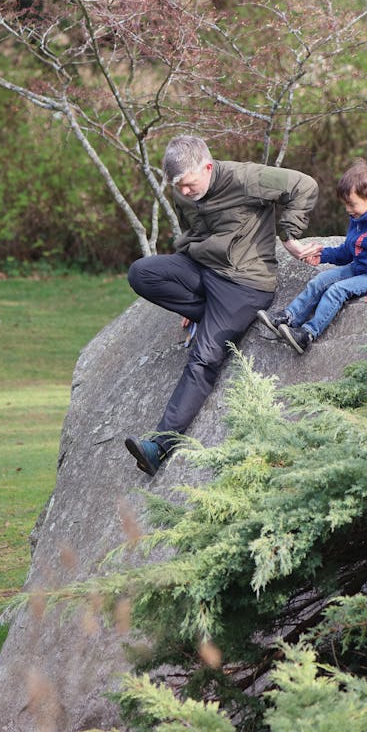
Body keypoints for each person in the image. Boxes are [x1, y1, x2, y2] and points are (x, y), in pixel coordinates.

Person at [124, 134, 319, 477]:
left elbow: (304, 185)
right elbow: (194, 232)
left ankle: (159, 446)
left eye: (187, 183)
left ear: (208, 167)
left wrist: (289, 236)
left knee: (205, 356)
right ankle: (205, 313)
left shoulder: (246, 178)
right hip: (204, 270)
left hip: (244, 284)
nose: (183, 192)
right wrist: (189, 305)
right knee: (142, 273)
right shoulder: (185, 192)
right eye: (177, 186)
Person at [257, 158, 367, 355]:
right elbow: (348, 251)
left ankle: (307, 335)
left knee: (336, 290)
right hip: (358, 267)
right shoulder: (359, 217)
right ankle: (290, 317)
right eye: (346, 204)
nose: (347, 209)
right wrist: (324, 255)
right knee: (320, 279)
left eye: (351, 204)